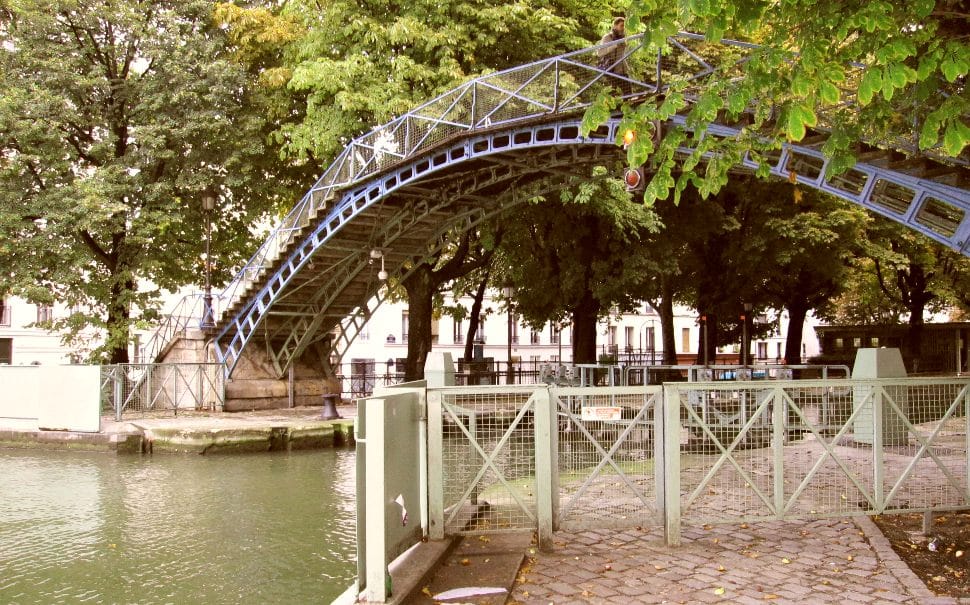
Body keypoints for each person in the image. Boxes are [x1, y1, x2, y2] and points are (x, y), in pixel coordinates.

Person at [597, 17, 631, 95]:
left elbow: (622, 53)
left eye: (624, 26)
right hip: (612, 69)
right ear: (615, 26)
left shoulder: (623, 37)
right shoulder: (607, 37)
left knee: (628, 93)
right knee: (613, 94)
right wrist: (614, 46)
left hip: (622, 70)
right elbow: (599, 53)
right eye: (621, 25)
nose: (623, 28)